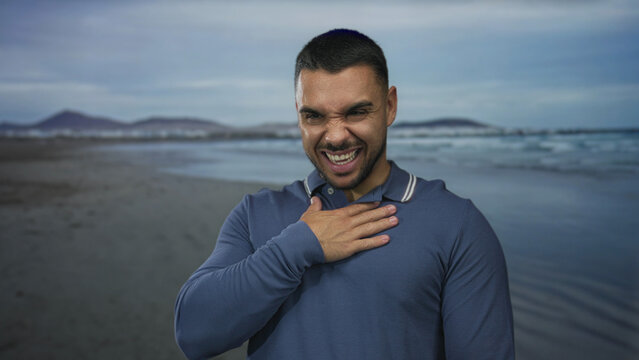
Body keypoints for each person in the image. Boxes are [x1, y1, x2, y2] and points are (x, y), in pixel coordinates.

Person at [174, 29, 514, 360]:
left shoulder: (456, 225)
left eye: (356, 112)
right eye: (315, 116)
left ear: (390, 106)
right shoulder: (255, 214)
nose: (335, 136)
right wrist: (297, 247)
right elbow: (193, 335)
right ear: (299, 115)